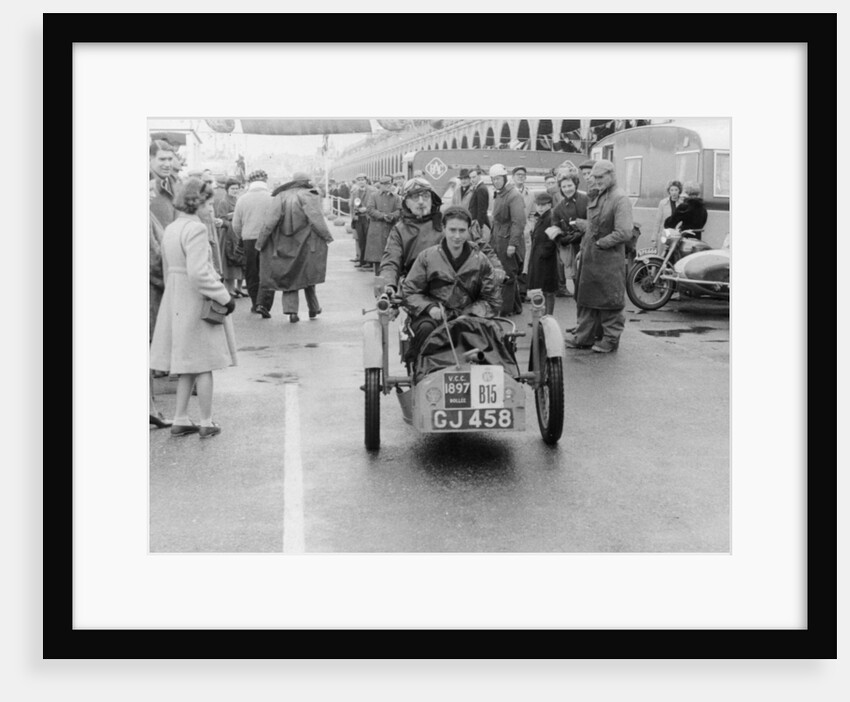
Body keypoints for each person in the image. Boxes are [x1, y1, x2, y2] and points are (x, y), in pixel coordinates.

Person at [149, 177, 238, 438]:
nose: (211, 209)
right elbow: (199, 273)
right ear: (196, 203)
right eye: (208, 204)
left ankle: (180, 418)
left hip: (176, 299)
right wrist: (225, 297)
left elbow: (168, 269)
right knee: (205, 365)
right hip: (196, 301)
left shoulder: (173, 228)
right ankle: (207, 422)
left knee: (186, 363)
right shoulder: (197, 230)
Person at [401, 205, 501, 360]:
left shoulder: (481, 261)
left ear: (469, 230)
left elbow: (492, 300)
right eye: (452, 230)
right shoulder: (426, 257)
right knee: (425, 329)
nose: (457, 236)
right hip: (433, 318)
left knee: (494, 335)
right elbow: (409, 291)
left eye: (462, 230)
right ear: (443, 229)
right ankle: (421, 371)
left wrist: (469, 313)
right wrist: (430, 307)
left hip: (470, 317)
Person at [564, 159, 634, 354]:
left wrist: (600, 243)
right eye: (594, 177)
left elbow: (624, 232)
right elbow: (597, 225)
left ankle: (611, 340)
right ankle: (584, 336)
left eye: (600, 177)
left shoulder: (620, 199)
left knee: (609, 301)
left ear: (612, 175)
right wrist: (585, 229)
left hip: (608, 259)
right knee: (586, 298)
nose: (596, 181)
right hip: (592, 257)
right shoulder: (601, 195)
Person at [257, 171, 334, 323]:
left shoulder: (280, 196)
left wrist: (261, 242)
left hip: (284, 242)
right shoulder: (310, 195)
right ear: (307, 181)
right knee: (307, 275)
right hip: (306, 242)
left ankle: (291, 312)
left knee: (289, 277)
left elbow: (270, 222)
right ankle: (313, 308)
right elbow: (316, 218)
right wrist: (327, 236)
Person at [379, 177, 445, 296]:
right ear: (406, 203)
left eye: (425, 196)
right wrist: (389, 284)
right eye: (415, 197)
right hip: (415, 290)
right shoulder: (399, 230)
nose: (421, 201)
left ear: (432, 200)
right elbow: (391, 260)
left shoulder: (447, 224)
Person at [232, 169, 272, 316]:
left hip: (248, 239)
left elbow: (236, 224)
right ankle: (265, 304)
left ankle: (255, 303)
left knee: (251, 272)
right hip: (268, 239)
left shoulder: (242, 199)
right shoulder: (272, 197)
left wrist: (242, 236)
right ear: (265, 182)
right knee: (267, 271)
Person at [489, 163, 526, 316]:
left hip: (508, 240)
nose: (496, 181)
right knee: (506, 272)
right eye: (493, 179)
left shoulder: (513, 195)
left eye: (498, 178)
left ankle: (506, 310)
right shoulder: (500, 193)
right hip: (499, 239)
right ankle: (516, 306)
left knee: (508, 275)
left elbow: (519, 222)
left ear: (504, 178)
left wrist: (512, 244)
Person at [550, 172, 589, 300]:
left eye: (569, 185)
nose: (567, 189)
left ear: (576, 184)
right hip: (571, 248)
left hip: (588, 244)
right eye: (564, 186)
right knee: (575, 277)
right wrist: (562, 239)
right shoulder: (558, 209)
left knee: (589, 277)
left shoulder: (586, 200)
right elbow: (554, 229)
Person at [526, 191, 561, 315]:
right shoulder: (542, 217)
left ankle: (547, 317)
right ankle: (540, 316)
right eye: (538, 205)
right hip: (539, 258)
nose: (540, 207)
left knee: (547, 291)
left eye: (543, 205)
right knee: (541, 289)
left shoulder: (550, 218)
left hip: (546, 260)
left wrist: (544, 253)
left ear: (550, 205)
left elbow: (553, 238)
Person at [363, 174, 402, 274]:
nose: (387, 186)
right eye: (384, 184)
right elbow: (370, 209)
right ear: (380, 185)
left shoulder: (396, 197)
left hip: (391, 228)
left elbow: (399, 210)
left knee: (390, 254)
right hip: (377, 229)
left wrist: (392, 216)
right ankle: (378, 277)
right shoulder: (374, 196)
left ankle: (389, 277)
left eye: (389, 184)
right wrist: (383, 216)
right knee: (377, 256)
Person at [215, 178, 246, 296]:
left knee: (238, 259)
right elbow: (221, 219)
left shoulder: (238, 200)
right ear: (227, 189)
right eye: (232, 188)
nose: (235, 191)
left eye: (237, 189)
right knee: (228, 261)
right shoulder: (224, 202)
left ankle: (236, 288)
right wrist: (232, 219)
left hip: (237, 234)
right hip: (227, 235)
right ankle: (229, 288)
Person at [149, 140, 179, 227]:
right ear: (150, 159)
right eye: (162, 159)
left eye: (170, 159)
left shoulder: (173, 183)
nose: (167, 164)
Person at [350, 173, 375, 268]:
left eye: (362, 179)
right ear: (356, 182)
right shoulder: (355, 192)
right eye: (359, 179)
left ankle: (370, 261)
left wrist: (367, 209)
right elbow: (352, 206)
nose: (361, 181)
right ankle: (362, 260)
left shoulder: (372, 190)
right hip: (358, 218)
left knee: (369, 239)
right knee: (361, 240)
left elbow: (375, 204)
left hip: (369, 217)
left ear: (366, 180)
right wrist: (354, 216)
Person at [653, 179, 683, 253]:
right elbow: (658, 221)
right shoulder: (663, 203)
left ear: (679, 191)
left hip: (677, 234)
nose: (674, 192)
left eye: (676, 190)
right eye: (671, 190)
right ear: (669, 191)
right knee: (662, 255)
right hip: (665, 234)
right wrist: (654, 237)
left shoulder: (682, 203)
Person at [467, 165, 491, 235]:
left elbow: (482, 210)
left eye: (474, 177)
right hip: (475, 223)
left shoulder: (481, 189)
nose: (472, 180)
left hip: (479, 226)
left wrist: (478, 227)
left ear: (479, 175)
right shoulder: (478, 188)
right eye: (470, 178)